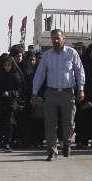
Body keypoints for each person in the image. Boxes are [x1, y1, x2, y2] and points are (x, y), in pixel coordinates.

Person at [31, 29, 85, 161]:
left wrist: (81, 88)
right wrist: (34, 92)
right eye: (53, 38)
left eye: (58, 38)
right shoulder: (47, 55)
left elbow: (79, 71)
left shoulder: (72, 53)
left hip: (68, 93)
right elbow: (40, 74)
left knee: (68, 123)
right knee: (50, 124)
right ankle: (52, 151)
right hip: (51, 93)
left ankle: (66, 143)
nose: (56, 41)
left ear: (63, 39)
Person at [0, 55, 23, 152]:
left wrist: (10, 93)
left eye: (9, 65)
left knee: (9, 122)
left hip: (11, 102)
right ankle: (0, 141)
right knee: (0, 122)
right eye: (5, 65)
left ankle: (7, 143)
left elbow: (20, 90)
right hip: (0, 102)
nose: (7, 67)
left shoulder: (15, 75)